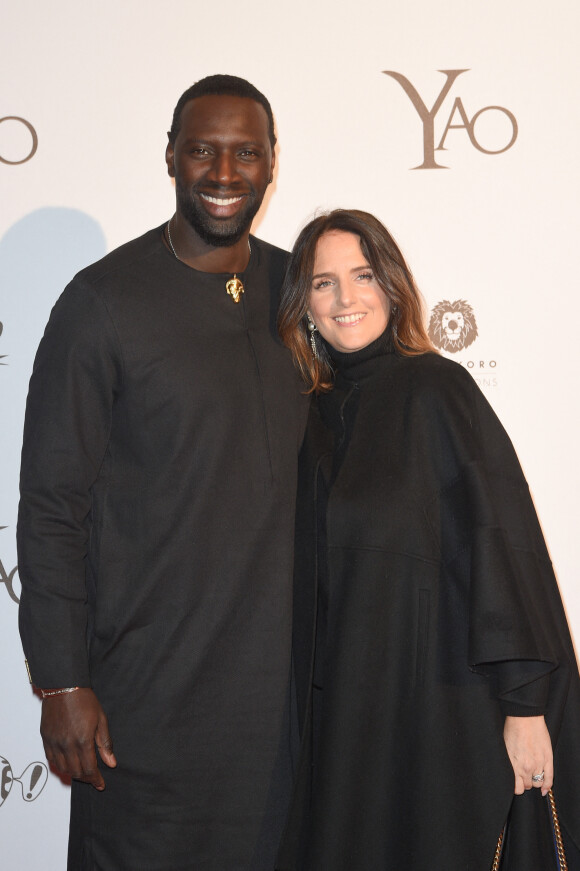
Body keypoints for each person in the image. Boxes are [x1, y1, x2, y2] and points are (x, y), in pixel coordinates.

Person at [17, 74, 307, 871]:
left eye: (245, 152)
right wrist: (61, 681)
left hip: (285, 706)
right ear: (171, 157)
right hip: (145, 704)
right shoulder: (102, 302)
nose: (224, 174)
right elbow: (51, 505)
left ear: (272, 163)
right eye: (204, 151)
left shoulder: (301, 292)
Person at [275, 209, 580, 870]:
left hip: (436, 709)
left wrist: (524, 706)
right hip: (334, 721)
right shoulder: (301, 412)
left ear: (392, 285)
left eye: (362, 275)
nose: (346, 298)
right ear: (304, 303)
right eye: (324, 283)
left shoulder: (441, 391)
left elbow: (501, 544)